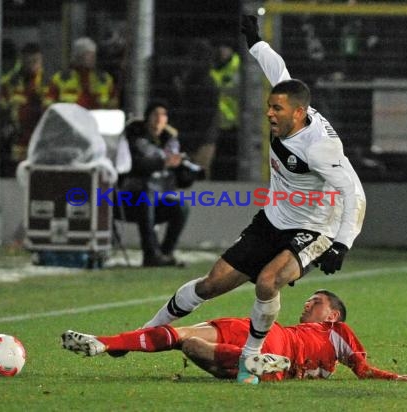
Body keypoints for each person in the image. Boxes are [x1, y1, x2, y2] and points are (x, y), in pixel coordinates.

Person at [135, 15, 367, 385]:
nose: (269, 112)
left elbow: (353, 192)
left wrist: (341, 244)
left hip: (313, 227)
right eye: (270, 106)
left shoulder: (320, 148)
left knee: (267, 281)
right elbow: (279, 70)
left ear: (297, 112)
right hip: (273, 218)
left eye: (276, 109)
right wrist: (257, 42)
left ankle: (250, 359)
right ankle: (143, 334)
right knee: (211, 284)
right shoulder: (293, 108)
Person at [61, 290, 407, 383]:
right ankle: (250, 364)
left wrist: (395, 377)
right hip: (273, 355)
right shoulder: (326, 340)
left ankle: (106, 342)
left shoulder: (337, 331)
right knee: (188, 343)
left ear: (332, 315)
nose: (307, 305)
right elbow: (360, 371)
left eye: (315, 303)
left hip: (278, 341)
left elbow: (362, 368)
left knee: (186, 336)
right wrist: (393, 377)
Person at [116, 101, 190, 267]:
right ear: (147, 118)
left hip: (156, 198)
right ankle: (151, 254)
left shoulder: (169, 141)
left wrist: (185, 169)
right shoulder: (134, 137)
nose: (159, 119)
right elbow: (133, 165)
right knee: (146, 194)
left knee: (181, 206)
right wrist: (164, 163)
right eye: (155, 114)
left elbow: (181, 181)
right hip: (127, 198)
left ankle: (165, 253)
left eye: (163, 115)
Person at [172, 38, 220, 177]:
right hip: (196, 135)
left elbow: (205, 116)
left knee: (198, 173)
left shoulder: (204, 83)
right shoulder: (193, 81)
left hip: (201, 137)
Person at [0, 42, 46, 177]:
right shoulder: (10, 82)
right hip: (17, 139)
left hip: (39, 139)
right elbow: (3, 106)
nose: (32, 64)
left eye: (35, 61)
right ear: (22, 60)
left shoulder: (47, 82)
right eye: (29, 61)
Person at [44, 37, 119, 110]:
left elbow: (113, 102)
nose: (92, 57)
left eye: (93, 54)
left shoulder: (104, 79)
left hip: (96, 120)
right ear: (78, 56)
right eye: (88, 54)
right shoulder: (61, 78)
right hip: (70, 120)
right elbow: (48, 103)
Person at [209, 41, 241, 180]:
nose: (222, 50)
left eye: (225, 46)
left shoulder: (237, 66)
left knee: (229, 155)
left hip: (232, 122)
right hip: (214, 121)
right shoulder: (212, 65)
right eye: (220, 46)